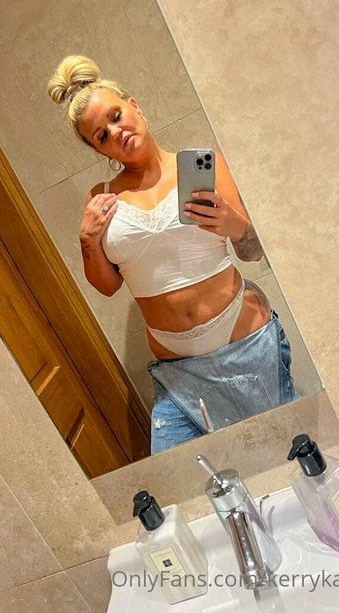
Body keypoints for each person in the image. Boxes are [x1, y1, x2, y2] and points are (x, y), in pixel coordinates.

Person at [48, 55, 298, 454]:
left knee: (286, 450)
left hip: (246, 344)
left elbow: (252, 252)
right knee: (179, 480)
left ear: (135, 106)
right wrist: (87, 241)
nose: (115, 132)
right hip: (178, 372)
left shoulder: (204, 167)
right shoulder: (101, 197)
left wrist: (235, 225)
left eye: (116, 116)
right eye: (101, 135)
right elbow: (108, 286)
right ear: (98, 149)